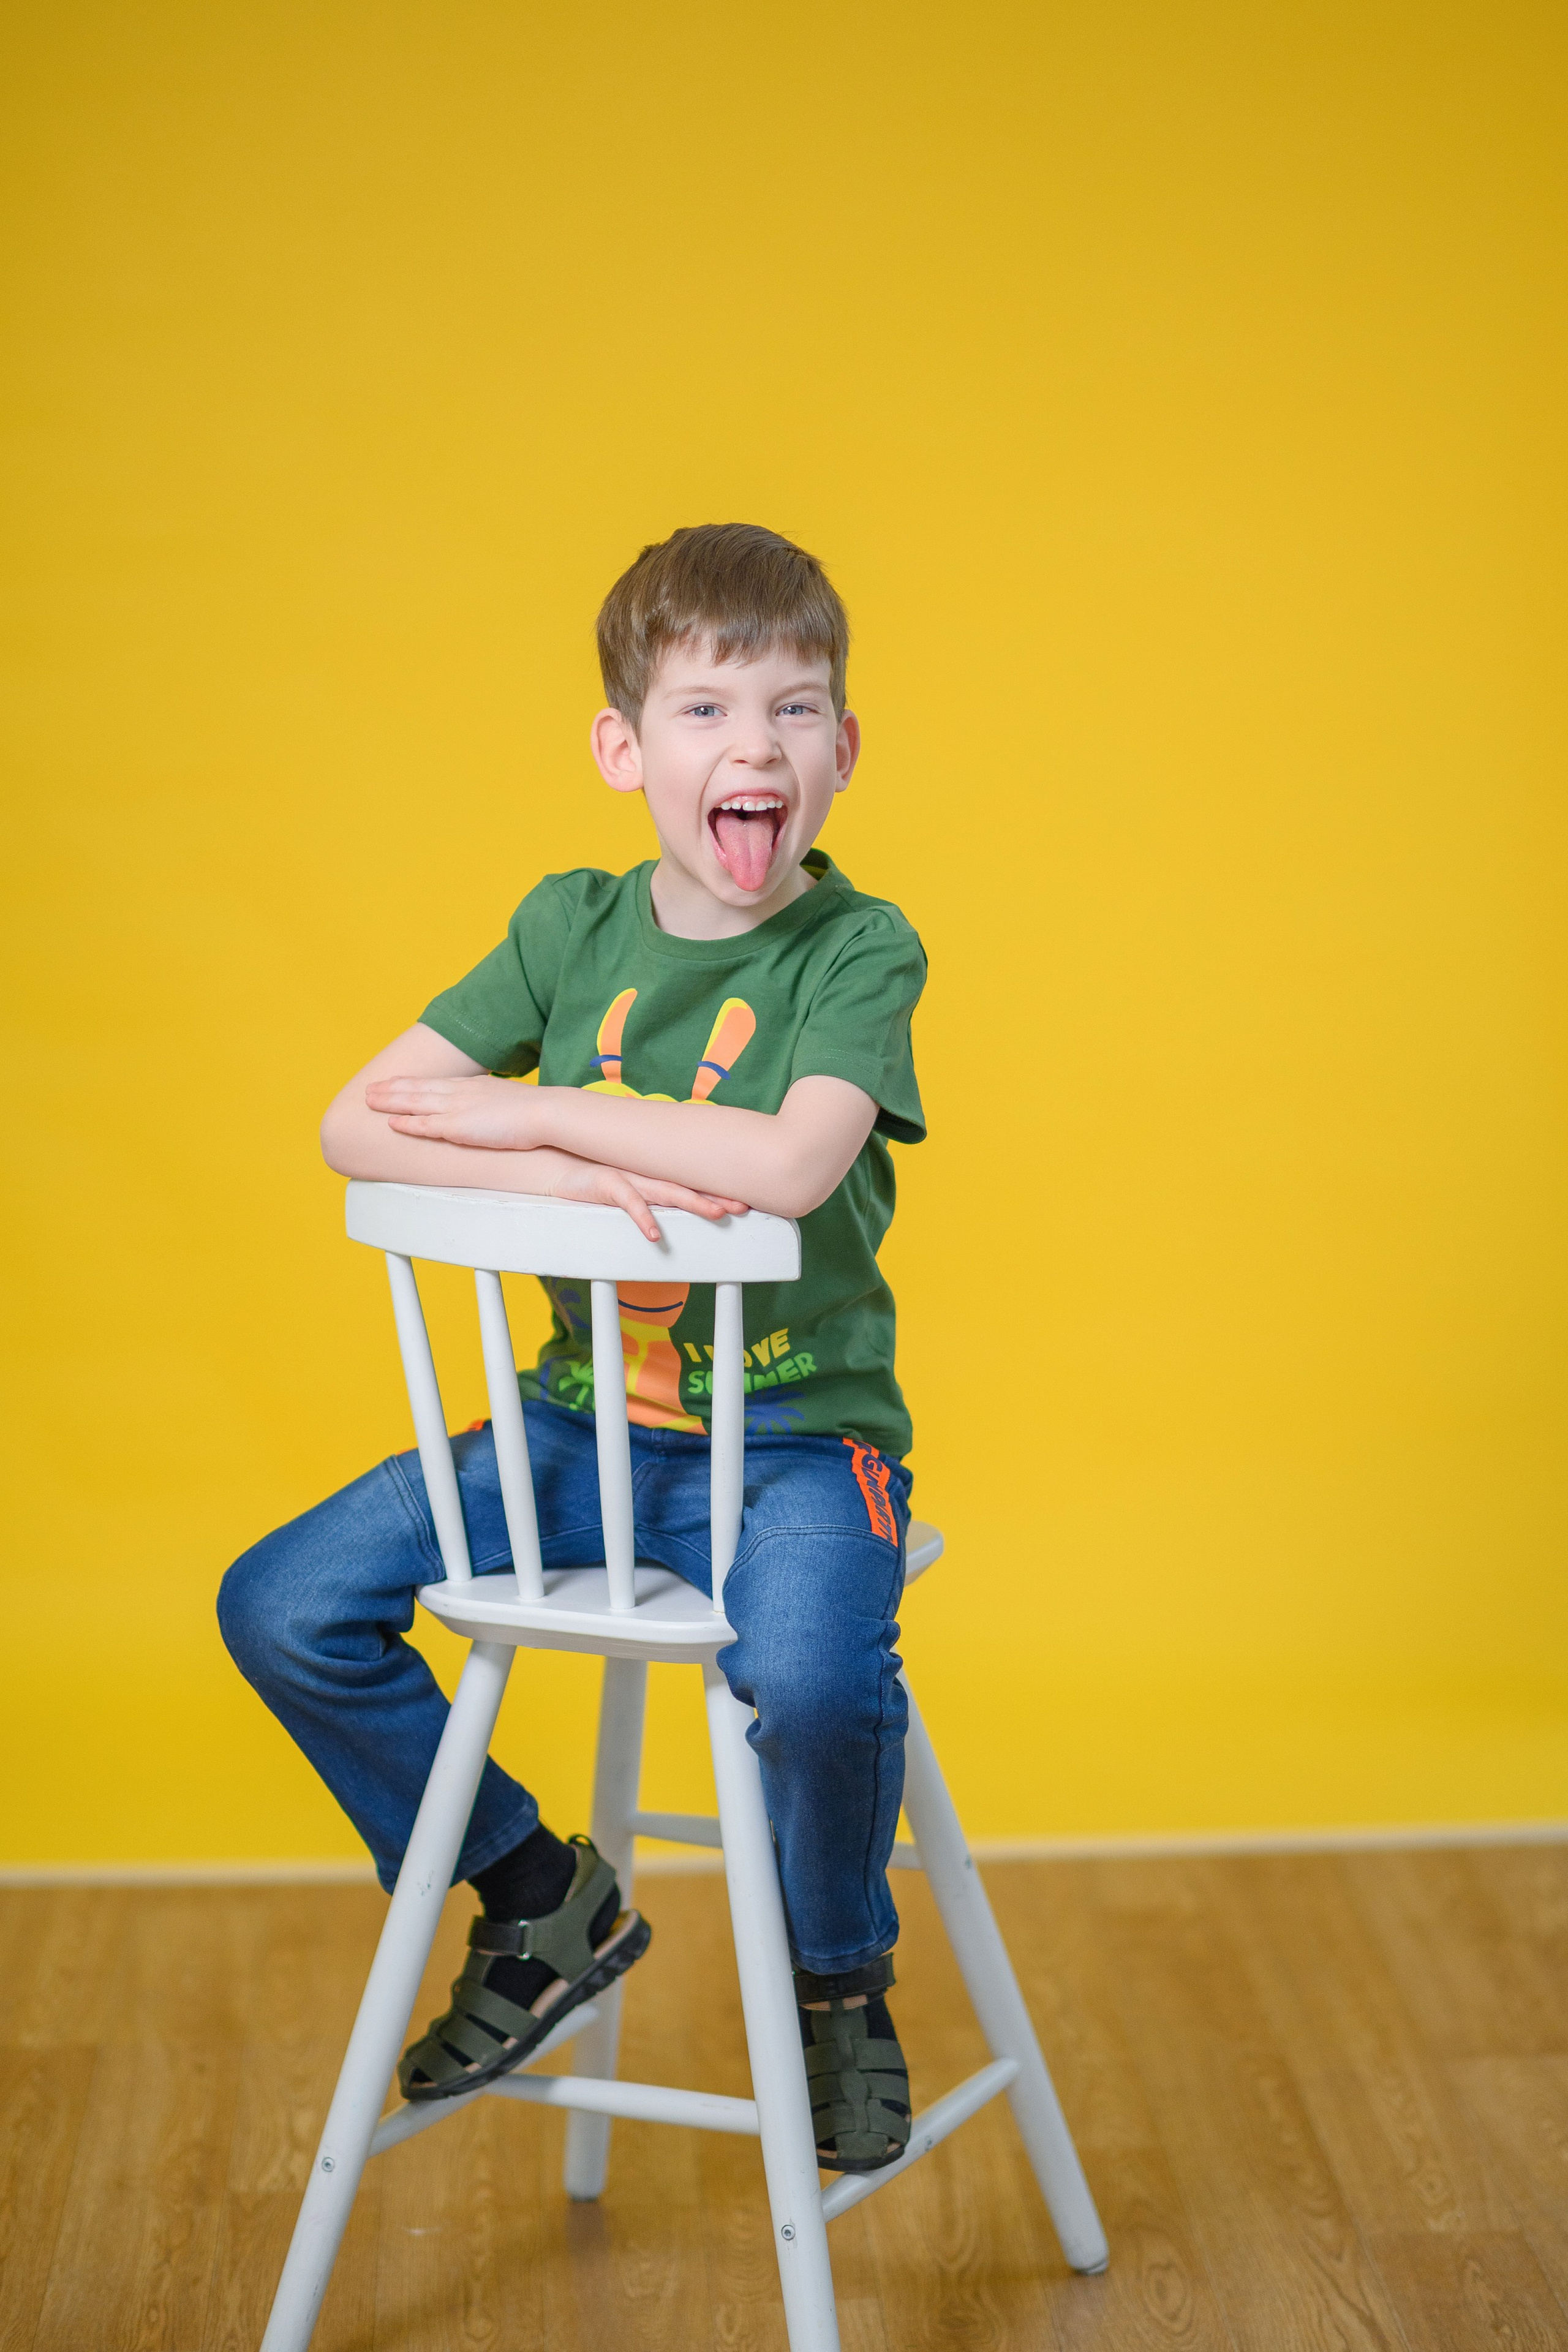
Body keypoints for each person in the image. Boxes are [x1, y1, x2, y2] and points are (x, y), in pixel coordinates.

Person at [219, 522, 927, 2174]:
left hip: (802, 1447)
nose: (753, 746)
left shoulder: (858, 949)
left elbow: (790, 1167)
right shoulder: (569, 927)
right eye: (703, 711)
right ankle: (539, 1897)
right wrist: (564, 1173)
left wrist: (539, 1109)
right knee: (284, 1603)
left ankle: (839, 1990)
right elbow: (353, 1123)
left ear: (844, 750)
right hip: (572, 1437)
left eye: (796, 709)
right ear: (626, 749)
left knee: (815, 1677)